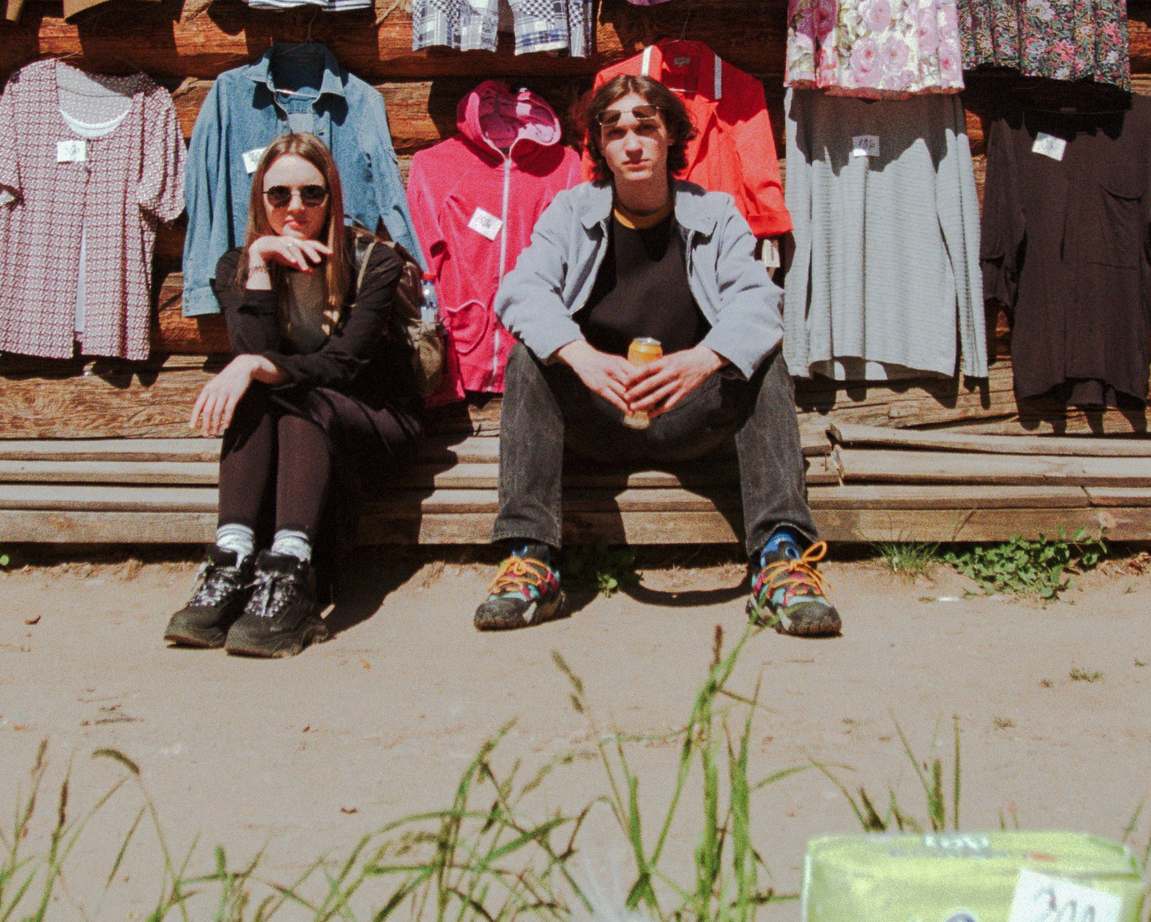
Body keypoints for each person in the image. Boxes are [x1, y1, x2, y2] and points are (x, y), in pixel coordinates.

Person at [477, 73, 839, 637]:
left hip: (687, 414)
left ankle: (781, 561)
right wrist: (581, 355)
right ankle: (531, 559)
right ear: (599, 145)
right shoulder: (571, 212)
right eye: (615, 130)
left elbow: (760, 302)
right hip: (600, 417)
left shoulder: (714, 214)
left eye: (646, 125)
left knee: (762, 358)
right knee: (531, 357)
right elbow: (521, 290)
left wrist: (704, 358)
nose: (632, 141)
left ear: (671, 134)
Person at [168, 133, 421, 658]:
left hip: (375, 420)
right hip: (297, 430)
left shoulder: (374, 261)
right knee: (260, 392)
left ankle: (290, 572)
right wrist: (260, 262)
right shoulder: (236, 266)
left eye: (311, 193)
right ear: (260, 199)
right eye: (279, 195)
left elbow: (344, 366)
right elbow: (252, 353)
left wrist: (259, 365)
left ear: (332, 197)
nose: (296, 208)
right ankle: (232, 561)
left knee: (296, 395)